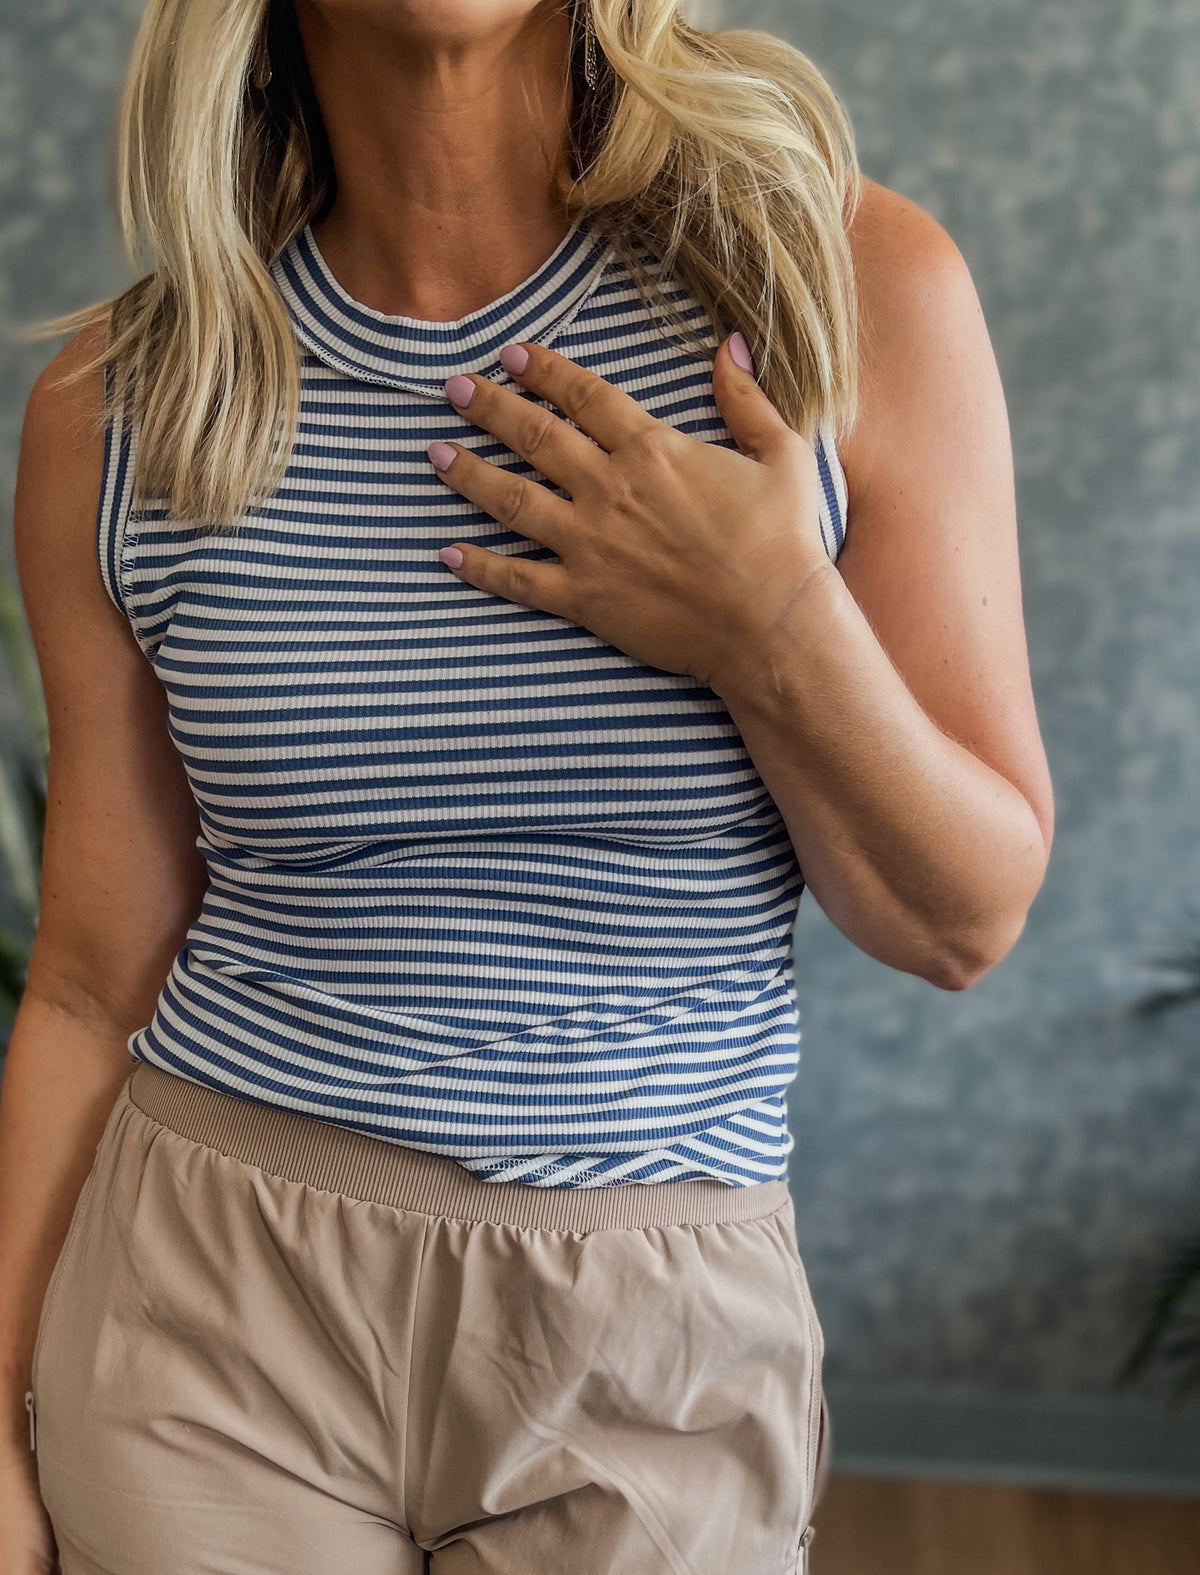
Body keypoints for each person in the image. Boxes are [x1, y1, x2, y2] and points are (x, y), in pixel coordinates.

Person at [0, 1, 1054, 1571]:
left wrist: (771, 625)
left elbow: (961, 921)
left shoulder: (843, 291)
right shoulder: (121, 405)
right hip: (208, 1293)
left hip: (656, 1324)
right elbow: (89, 983)